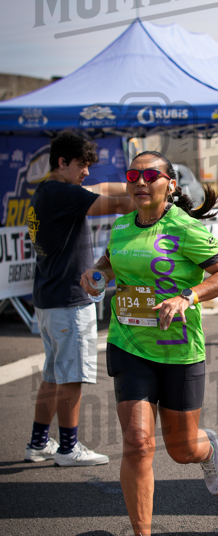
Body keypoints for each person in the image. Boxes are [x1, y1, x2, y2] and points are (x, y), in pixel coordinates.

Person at [81, 150, 218, 536]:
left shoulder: (184, 228)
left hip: (178, 350)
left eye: (150, 175)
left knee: (181, 449)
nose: (139, 181)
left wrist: (188, 296)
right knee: (137, 443)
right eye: (133, 174)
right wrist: (97, 275)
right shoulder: (121, 226)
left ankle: (207, 449)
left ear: (170, 184)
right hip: (129, 344)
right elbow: (110, 262)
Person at [25, 130, 133, 466]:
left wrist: (135, 185)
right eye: (81, 165)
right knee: (71, 378)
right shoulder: (63, 193)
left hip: (49, 297)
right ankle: (69, 449)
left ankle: (38, 443)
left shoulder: (47, 190)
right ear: (62, 162)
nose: (86, 171)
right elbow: (117, 203)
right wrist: (153, 200)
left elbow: (104, 189)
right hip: (69, 300)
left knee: (53, 375)